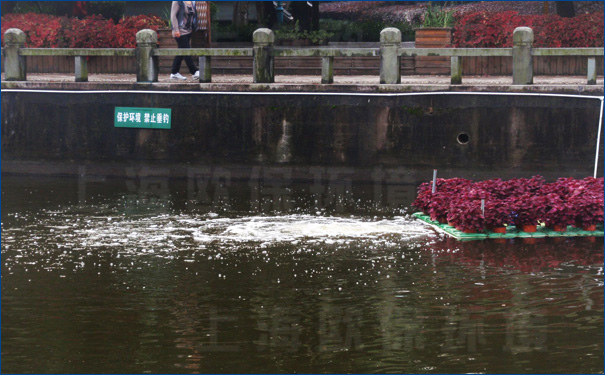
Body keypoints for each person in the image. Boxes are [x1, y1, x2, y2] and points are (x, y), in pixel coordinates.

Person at [170, 1, 199, 80]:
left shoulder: (192, 2)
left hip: (188, 31)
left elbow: (194, 16)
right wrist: (176, 29)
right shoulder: (177, 2)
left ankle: (174, 72)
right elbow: (173, 16)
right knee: (186, 51)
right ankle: (194, 71)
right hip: (180, 31)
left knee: (181, 52)